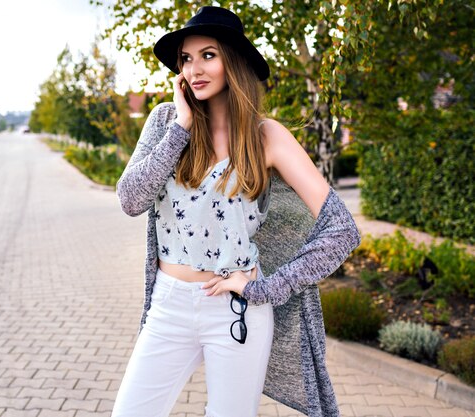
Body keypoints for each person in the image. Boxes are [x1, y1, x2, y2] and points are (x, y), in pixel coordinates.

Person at [112, 6, 360, 417]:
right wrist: (182, 129)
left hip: (236, 311)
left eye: (208, 55)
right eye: (186, 59)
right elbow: (130, 200)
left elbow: (341, 229)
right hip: (169, 303)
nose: (195, 69)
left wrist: (266, 289)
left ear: (235, 62)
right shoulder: (165, 122)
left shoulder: (268, 137)